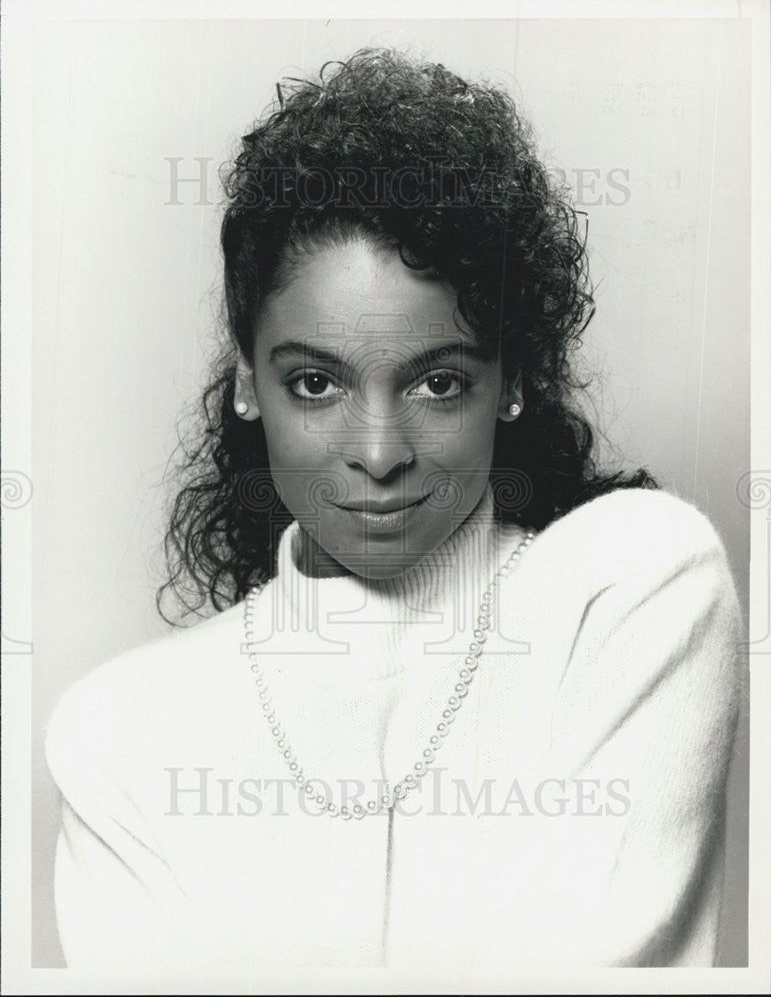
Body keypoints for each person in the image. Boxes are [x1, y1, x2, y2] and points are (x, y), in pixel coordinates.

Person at [45, 47, 743, 972]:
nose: (378, 454)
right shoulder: (119, 728)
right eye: (316, 382)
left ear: (514, 381)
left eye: (438, 382)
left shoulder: (626, 590)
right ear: (249, 382)